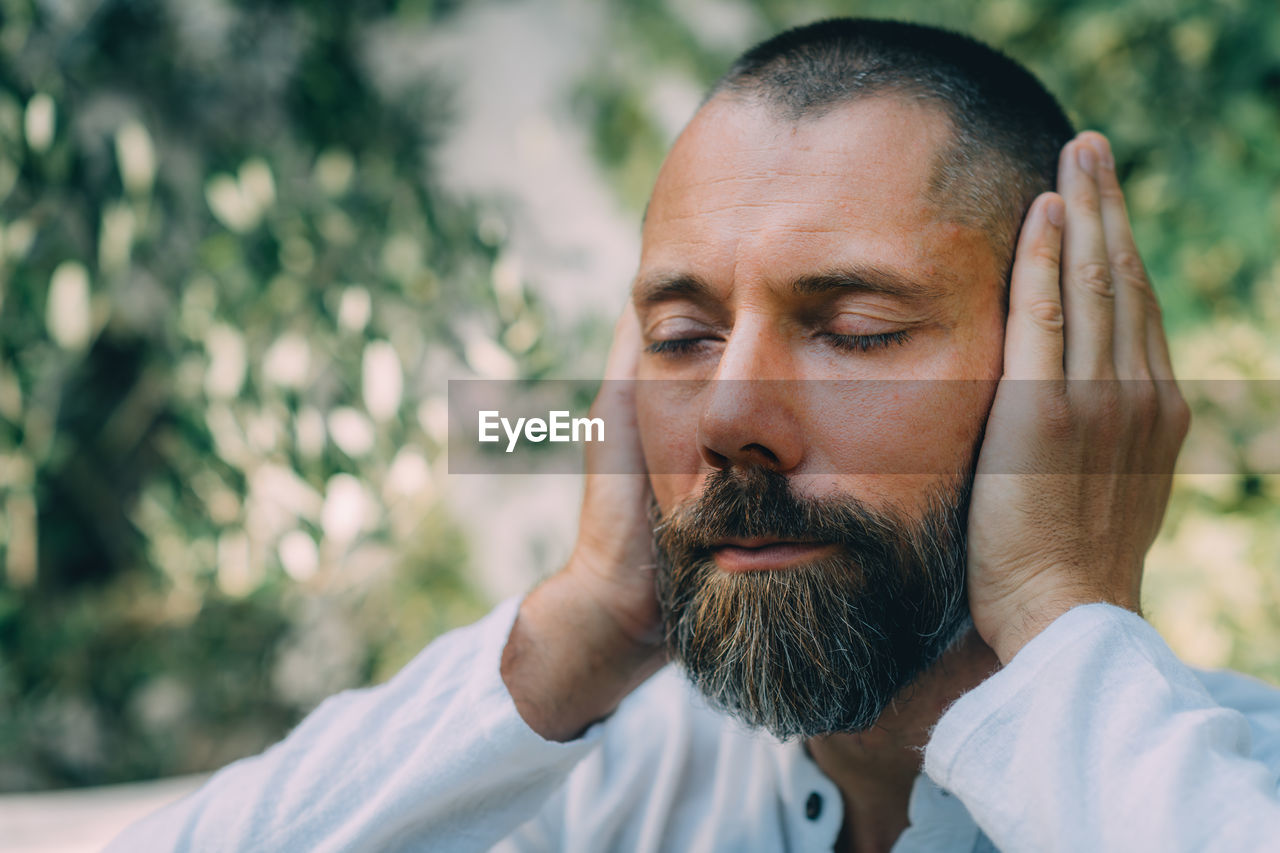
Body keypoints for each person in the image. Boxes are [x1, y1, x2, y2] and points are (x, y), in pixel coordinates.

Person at [107, 18, 1280, 853]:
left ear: (1064, 372)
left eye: (854, 328)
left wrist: (1057, 615)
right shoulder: (575, 788)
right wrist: (581, 623)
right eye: (680, 337)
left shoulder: (1229, 790)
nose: (724, 418)